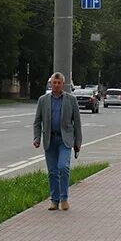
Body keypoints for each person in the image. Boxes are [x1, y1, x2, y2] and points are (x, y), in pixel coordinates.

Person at [33, 72, 82, 211]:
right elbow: (37, 122)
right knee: (53, 172)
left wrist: (78, 142)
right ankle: (54, 201)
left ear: (63, 84)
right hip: (50, 139)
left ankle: (64, 198)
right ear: (51, 84)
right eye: (54, 83)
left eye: (59, 83)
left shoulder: (71, 100)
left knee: (63, 167)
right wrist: (37, 138)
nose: (56, 85)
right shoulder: (43, 100)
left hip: (65, 140)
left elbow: (77, 123)